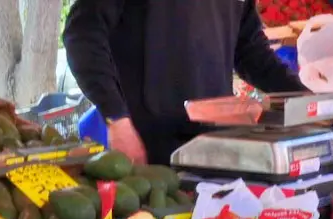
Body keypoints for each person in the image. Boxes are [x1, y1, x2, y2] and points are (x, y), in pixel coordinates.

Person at [63, 0, 308, 166]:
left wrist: (308, 99)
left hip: (215, 147)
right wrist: (116, 119)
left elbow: (250, 50)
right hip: (145, 147)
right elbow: (83, 35)